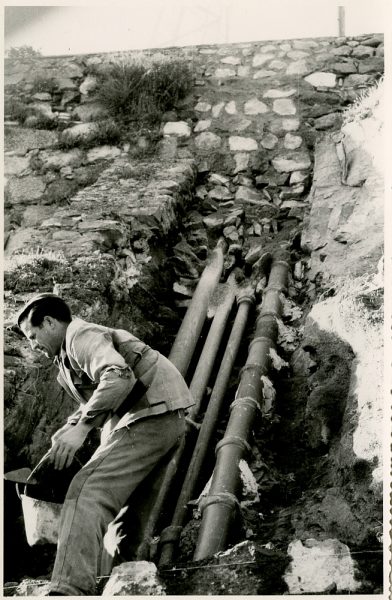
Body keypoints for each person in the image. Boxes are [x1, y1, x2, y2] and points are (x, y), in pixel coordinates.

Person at [17, 293, 194, 596]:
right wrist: (71, 426)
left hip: (149, 414)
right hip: (165, 416)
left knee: (86, 490)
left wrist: (83, 427)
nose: (33, 345)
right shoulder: (68, 357)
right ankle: (123, 584)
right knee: (125, 520)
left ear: (49, 322)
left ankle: (68, 588)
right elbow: (104, 392)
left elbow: (117, 376)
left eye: (33, 336)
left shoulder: (79, 336)